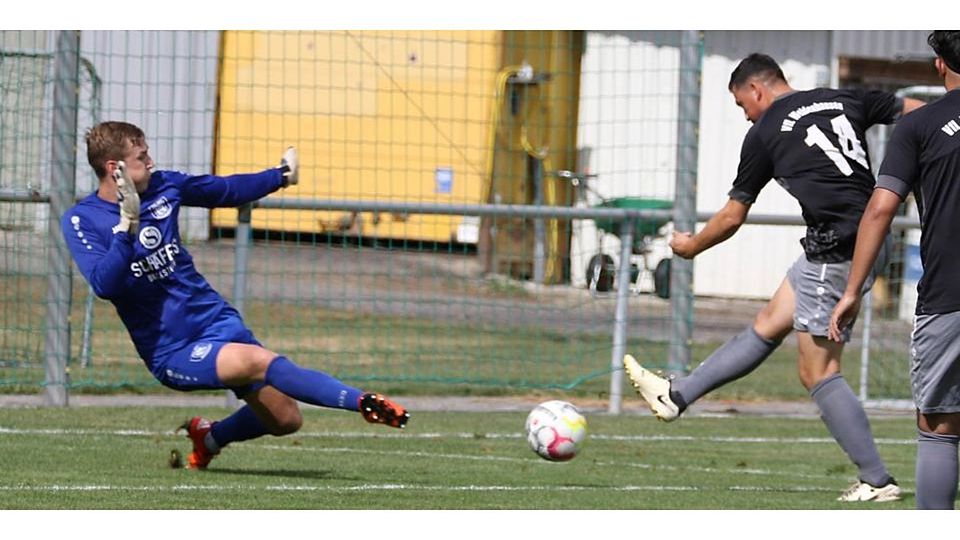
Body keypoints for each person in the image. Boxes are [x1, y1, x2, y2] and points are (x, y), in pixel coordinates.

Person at [622, 53, 925, 502]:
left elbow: (730, 217)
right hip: (856, 237)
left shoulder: (764, 132)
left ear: (756, 90)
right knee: (769, 321)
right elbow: (917, 112)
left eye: (741, 103)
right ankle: (676, 395)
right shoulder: (842, 98)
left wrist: (690, 247)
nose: (744, 113)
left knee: (818, 371)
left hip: (838, 247)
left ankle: (877, 480)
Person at [62, 121, 409, 470]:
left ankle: (209, 437)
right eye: (142, 156)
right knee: (260, 361)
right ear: (114, 168)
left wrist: (281, 175)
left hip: (216, 320)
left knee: (286, 419)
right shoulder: (82, 219)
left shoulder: (166, 185)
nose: (150, 161)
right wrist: (126, 227)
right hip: (173, 349)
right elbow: (105, 286)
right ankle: (362, 401)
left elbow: (224, 190)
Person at [830, 31, 960, 510]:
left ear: (939, 65)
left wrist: (853, 290)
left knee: (939, 426)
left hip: (950, 296)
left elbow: (880, 209)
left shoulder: (919, 126)